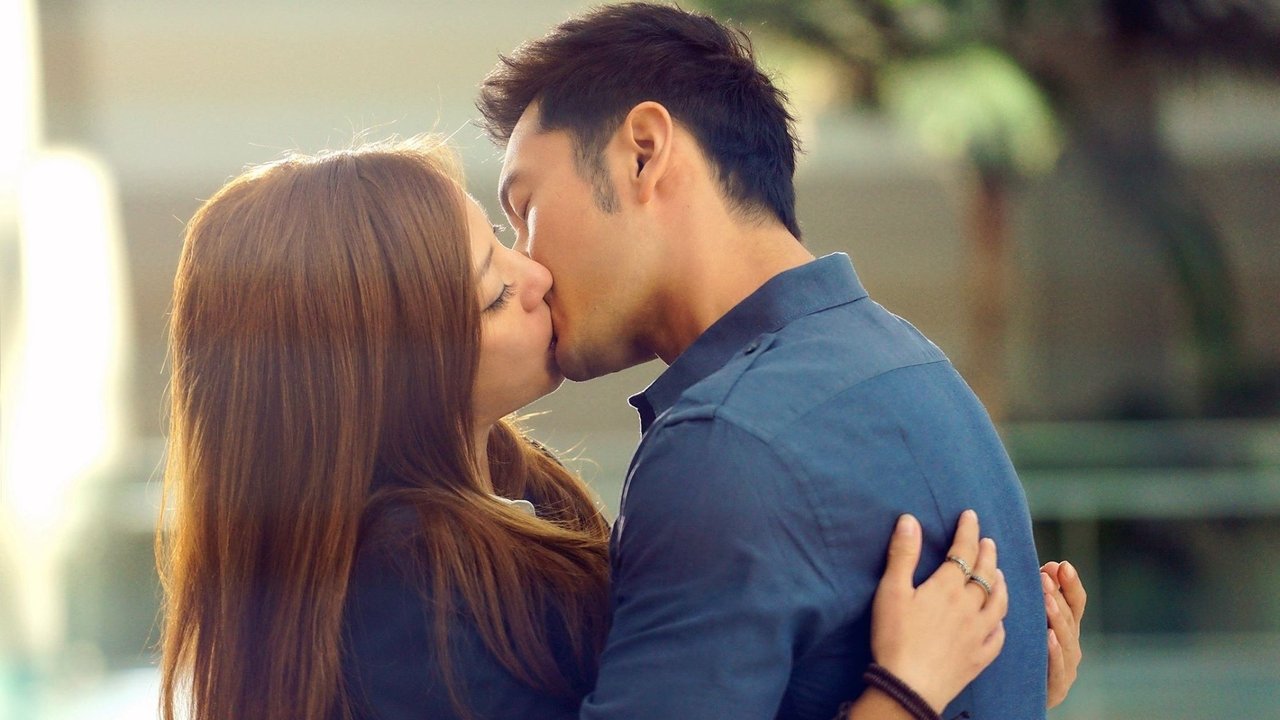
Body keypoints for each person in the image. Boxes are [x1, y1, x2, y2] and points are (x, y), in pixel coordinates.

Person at [157, 137, 1073, 720]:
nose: (535, 276)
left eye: (505, 240)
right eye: (492, 291)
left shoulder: (510, 494)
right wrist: (907, 692)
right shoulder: (409, 596)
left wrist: (1002, 680)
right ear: (382, 375)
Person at [475, 3, 1084, 719]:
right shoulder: (922, 373)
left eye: (527, 209)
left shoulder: (725, 441)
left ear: (643, 151)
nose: (528, 263)